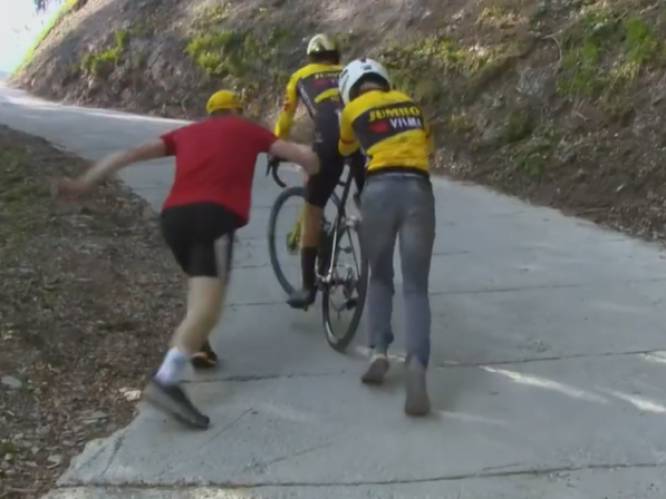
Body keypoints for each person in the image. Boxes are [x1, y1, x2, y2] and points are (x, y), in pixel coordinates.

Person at [56, 90, 320, 429]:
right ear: (237, 112)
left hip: (174, 219)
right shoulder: (249, 130)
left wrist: (82, 183)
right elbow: (301, 156)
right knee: (207, 310)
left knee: (199, 284)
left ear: (209, 114)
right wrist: (315, 166)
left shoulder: (187, 133)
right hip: (214, 217)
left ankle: (197, 345)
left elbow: (129, 154)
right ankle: (167, 380)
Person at [337, 58, 436, 416]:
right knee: (416, 287)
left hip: (378, 190)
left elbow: (347, 150)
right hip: (418, 191)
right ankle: (417, 367)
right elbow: (428, 146)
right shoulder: (412, 103)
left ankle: (378, 351)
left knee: (379, 276)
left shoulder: (352, 109)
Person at [273, 33, 365, 309]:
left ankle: (306, 288)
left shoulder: (301, 76)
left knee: (313, 208)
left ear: (310, 58)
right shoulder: (350, 72)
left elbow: (286, 117)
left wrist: (276, 146)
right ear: (337, 56)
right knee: (368, 194)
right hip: (362, 136)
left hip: (328, 141)